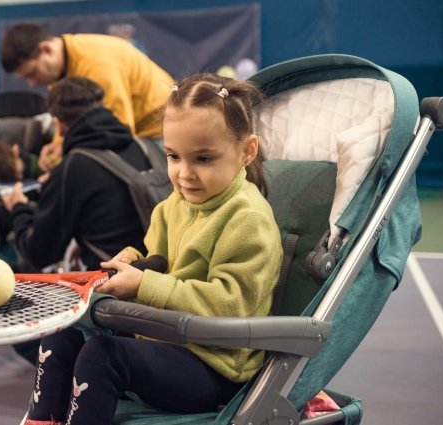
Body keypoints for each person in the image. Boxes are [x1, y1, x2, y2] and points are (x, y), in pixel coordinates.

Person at [22, 73, 284, 425]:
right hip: (166, 338)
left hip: (217, 368)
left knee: (103, 356)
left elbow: (231, 305)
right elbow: (159, 262)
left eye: (203, 159)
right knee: (64, 329)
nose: (184, 174)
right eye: (174, 156)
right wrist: (133, 261)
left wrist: (143, 285)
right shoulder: (171, 206)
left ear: (246, 152)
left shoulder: (248, 219)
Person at [2, 76, 148, 272]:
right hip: (163, 277)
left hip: (115, 290)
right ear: (102, 107)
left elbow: (39, 253)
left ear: (59, 123)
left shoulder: (72, 168)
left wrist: (19, 208)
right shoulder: (146, 147)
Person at [0, 23, 174, 173]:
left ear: (47, 49)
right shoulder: (60, 69)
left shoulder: (98, 65)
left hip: (159, 132)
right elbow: (68, 121)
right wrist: (58, 145)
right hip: (137, 132)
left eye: (32, 73)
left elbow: (117, 133)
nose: (31, 83)